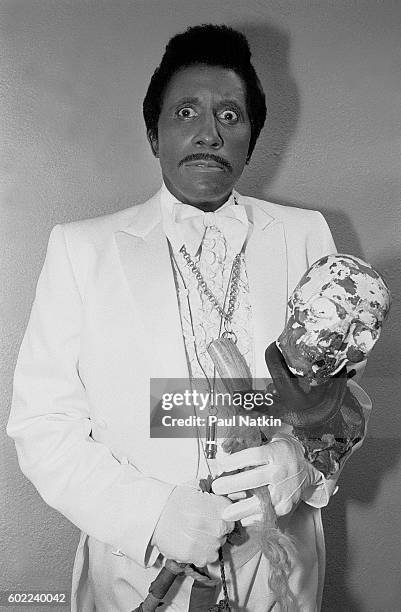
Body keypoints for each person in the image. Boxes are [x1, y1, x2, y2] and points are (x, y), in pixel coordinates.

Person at [7, 24, 371, 611]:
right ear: (155, 133)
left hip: (277, 575)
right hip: (138, 578)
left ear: (251, 136)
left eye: (231, 115)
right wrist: (151, 516)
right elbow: (41, 425)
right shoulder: (83, 250)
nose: (209, 133)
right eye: (186, 112)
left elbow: (344, 401)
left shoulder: (307, 238)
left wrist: (301, 468)